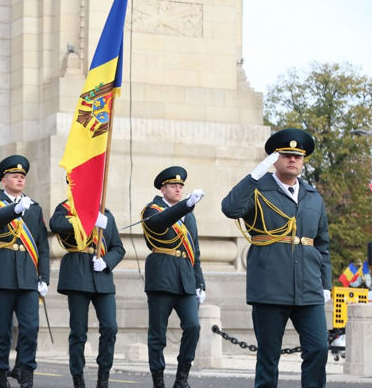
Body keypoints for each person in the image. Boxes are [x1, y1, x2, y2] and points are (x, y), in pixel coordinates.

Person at [222, 128, 330, 388]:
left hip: (309, 288)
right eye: (286, 155)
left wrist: (326, 284)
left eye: (297, 156)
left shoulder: (313, 197)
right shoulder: (258, 190)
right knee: (269, 357)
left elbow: (322, 244)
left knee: (318, 349)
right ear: (274, 158)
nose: (292, 160)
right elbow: (230, 208)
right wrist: (254, 176)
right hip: (270, 288)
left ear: (303, 161)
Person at [0, 155, 50, 388]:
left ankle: (26, 374)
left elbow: (42, 245)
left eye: (22, 176)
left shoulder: (33, 207)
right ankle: (1, 376)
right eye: (15, 176)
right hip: (2, 278)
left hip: (28, 279)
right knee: (2, 333)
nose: (20, 179)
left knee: (30, 329)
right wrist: (14, 209)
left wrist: (44, 277)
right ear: (3, 179)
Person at [50, 195, 126, 388]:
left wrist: (107, 262)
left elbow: (118, 247)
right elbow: (56, 224)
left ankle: (103, 378)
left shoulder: (106, 213)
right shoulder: (67, 208)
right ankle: (78, 378)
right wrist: (88, 219)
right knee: (78, 332)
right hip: (77, 274)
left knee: (110, 327)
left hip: (102, 275)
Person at [141, 166, 206, 388]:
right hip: (162, 277)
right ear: (162, 188)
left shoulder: (189, 216)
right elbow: (157, 224)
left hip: (185, 278)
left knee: (193, 326)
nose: (178, 189)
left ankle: (181, 378)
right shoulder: (151, 209)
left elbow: (194, 251)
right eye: (173, 186)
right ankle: (158, 380)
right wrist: (185, 206)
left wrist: (200, 282)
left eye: (181, 186)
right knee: (158, 333)